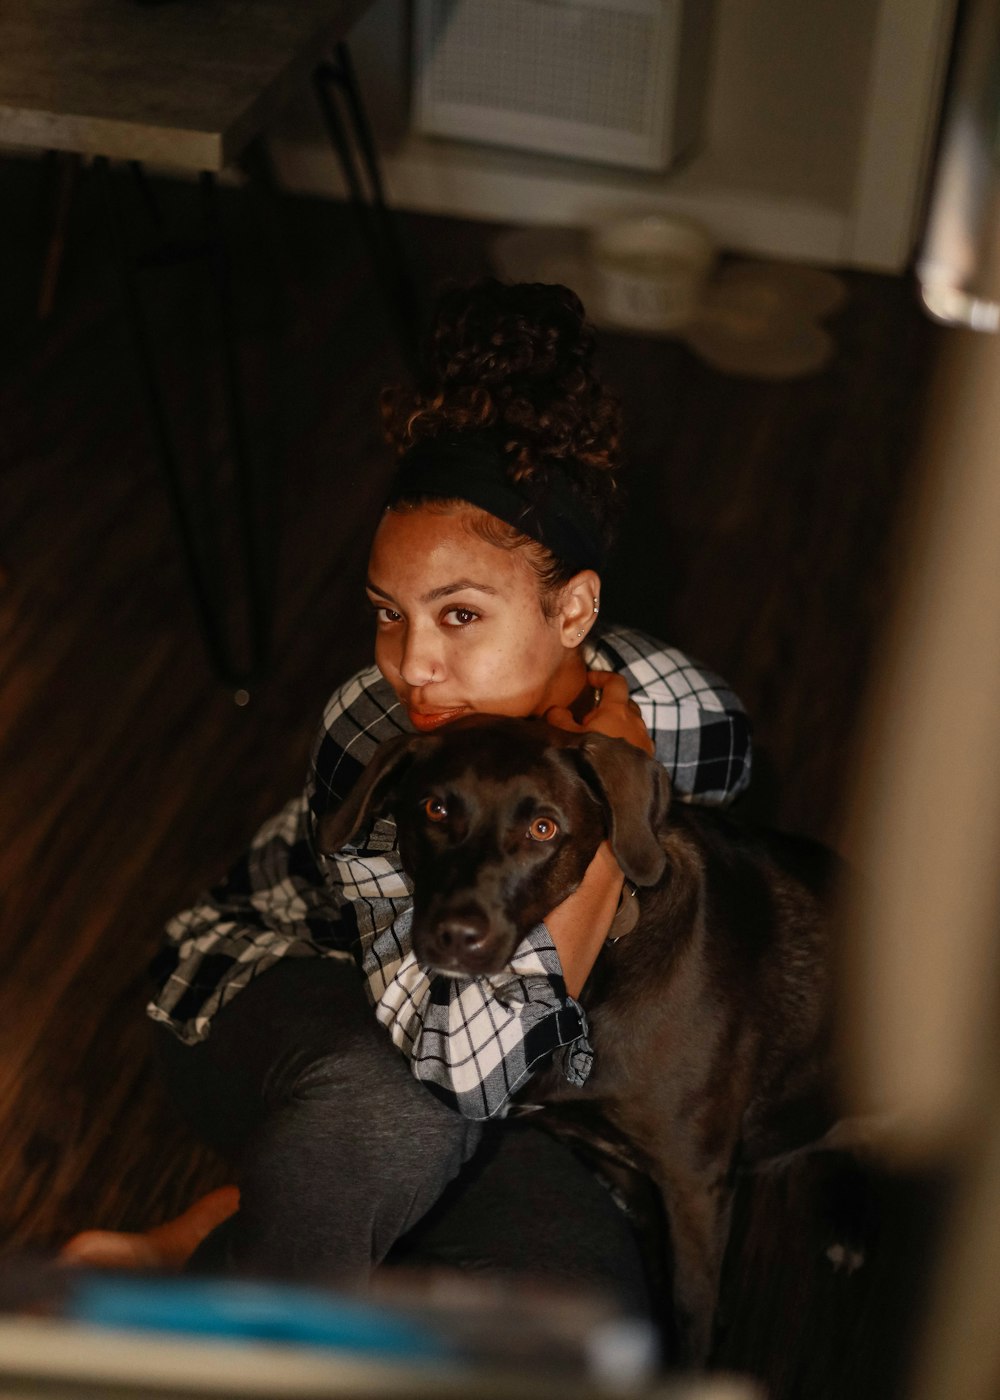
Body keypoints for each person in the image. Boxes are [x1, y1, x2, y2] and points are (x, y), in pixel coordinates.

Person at [64, 280, 751, 1313]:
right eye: (388, 613)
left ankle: (203, 1236)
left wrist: (620, 758)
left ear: (574, 608)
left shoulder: (649, 694)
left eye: (460, 614)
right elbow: (462, 1065)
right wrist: (615, 811)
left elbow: (734, 750)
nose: (410, 664)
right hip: (281, 983)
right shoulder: (375, 735)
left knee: (582, 1306)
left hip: (503, 1067)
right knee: (397, 1111)